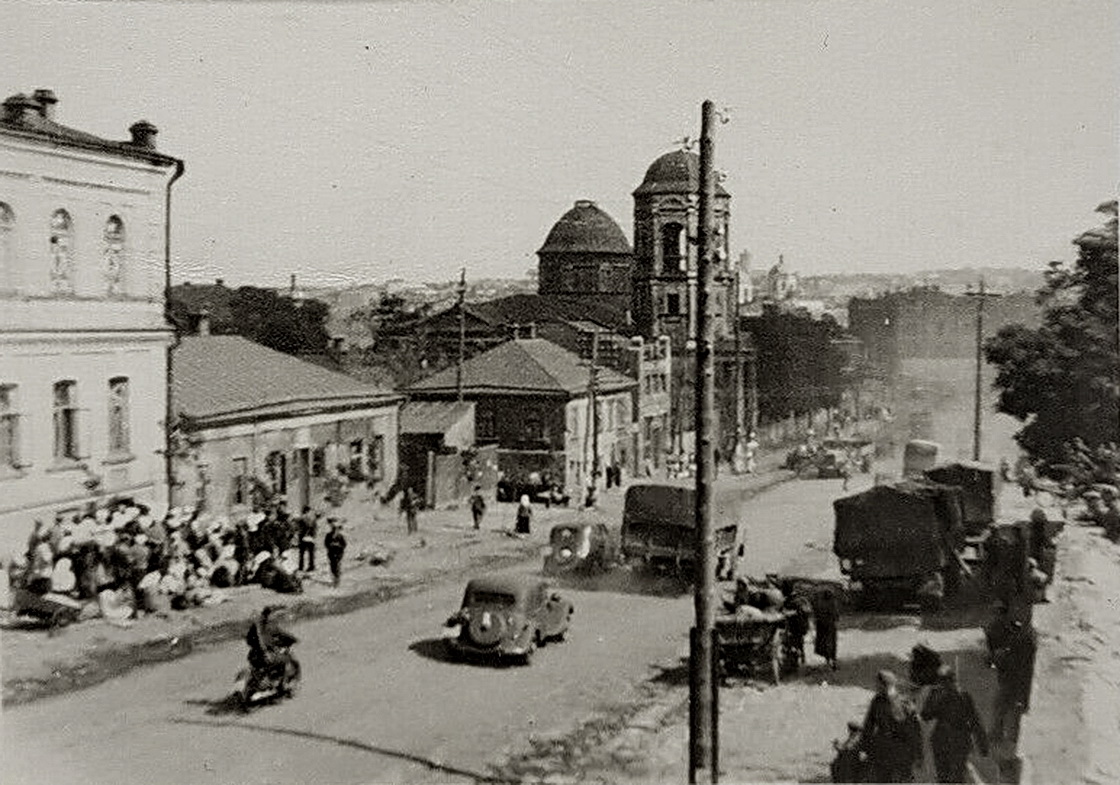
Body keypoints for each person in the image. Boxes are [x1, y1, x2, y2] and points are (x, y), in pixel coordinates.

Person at [921, 665, 989, 783]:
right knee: (947, 777)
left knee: (953, 777)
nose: (946, 684)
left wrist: (982, 744)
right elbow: (926, 715)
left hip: (954, 740)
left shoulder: (962, 696)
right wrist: (982, 745)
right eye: (944, 681)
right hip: (947, 740)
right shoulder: (940, 694)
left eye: (946, 681)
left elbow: (974, 720)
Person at [990, 619, 1036, 772]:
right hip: (1018, 692)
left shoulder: (1006, 653)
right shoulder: (1027, 654)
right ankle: (1009, 754)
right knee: (1013, 723)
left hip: (1007, 690)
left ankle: (1002, 750)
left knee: (1001, 716)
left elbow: (995, 661)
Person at [860, 669, 922, 782]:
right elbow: (868, 726)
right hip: (884, 753)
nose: (877, 688)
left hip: (899, 753)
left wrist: (918, 754)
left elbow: (915, 730)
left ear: (885, 685)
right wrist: (864, 748)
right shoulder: (877, 701)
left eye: (878, 685)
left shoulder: (905, 703)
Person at [245, 605, 298, 694]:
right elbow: (281, 634)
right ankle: (281, 687)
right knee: (285, 660)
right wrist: (293, 639)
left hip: (252, 655)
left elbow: (250, 640)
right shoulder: (268, 626)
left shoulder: (257, 626)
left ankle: (267, 681)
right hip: (263, 656)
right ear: (269, 615)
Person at [813, 587, 841, 670]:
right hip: (831, 626)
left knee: (825, 643)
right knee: (832, 643)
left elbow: (817, 615)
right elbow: (836, 616)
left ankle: (828, 661)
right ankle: (833, 661)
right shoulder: (833, 603)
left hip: (822, 626)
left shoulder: (820, 604)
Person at [324, 518, 347, 588]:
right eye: (333, 529)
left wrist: (338, 545)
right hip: (331, 553)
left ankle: (337, 581)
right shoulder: (328, 535)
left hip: (338, 553)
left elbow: (344, 544)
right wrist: (331, 545)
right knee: (332, 567)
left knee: (337, 567)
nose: (334, 531)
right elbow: (325, 544)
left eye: (335, 529)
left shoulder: (340, 536)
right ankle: (335, 580)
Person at [298, 508, 317, 573]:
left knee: (302, 553)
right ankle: (311, 566)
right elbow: (315, 529)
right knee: (310, 553)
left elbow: (299, 529)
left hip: (303, 538)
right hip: (310, 538)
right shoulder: (312, 519)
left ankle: (301, 567)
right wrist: (313, 536)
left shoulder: (301, 519)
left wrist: (301, 536)